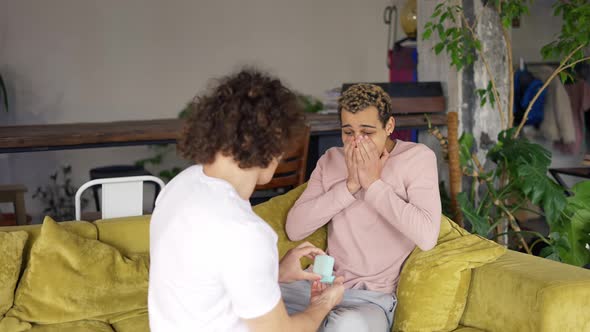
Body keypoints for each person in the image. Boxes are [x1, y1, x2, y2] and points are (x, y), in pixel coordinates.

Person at [148, 69, 345, 332]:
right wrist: (323, 303)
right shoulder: (245, 231)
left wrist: (274, 274)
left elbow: (204, 283)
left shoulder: (180, 185)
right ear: (274, 144)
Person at [282, 83, 442, 331]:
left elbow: (427, 235)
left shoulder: (418, 158)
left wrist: (372, 183)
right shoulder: (331, 159)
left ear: (389, 126)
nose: (356, 141)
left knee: (347, 325)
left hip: (371, 300)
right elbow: (295, 228)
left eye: (367, 132)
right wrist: (350, 185)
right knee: (251, 306)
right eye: (348, 132)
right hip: (320, 285)